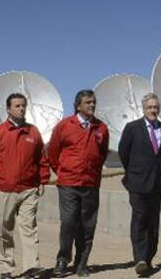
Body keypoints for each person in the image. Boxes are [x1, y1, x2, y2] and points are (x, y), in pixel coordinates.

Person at [0, 93, 51, 279]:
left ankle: (31, 267)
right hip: (4, 190)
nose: (21, 109)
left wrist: (43, 180)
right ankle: (6, 269)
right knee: (4, 230)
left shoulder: (33, 132)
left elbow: (41, 159)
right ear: (8, 109)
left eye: (23, 106)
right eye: (17, 106)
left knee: (29, 228)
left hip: (29, 189)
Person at [47, 89, 109, 277]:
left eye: (94, 102)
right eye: (88, 102)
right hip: (68, 184)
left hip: (90, 184)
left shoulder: (101, 128)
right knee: (68, 222)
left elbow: (102, 154)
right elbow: (52, 153)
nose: (92, 105)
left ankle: (82, 263)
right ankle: (63, 260)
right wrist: (64, 171)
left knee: (87, 225)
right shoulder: (65, 126)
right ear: (78, 105)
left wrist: (94, 174)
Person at [117, 93, 161, 278]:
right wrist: (134, 172)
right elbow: (123, 153)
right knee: (140, 219)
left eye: (156, 107)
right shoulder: (132, 128)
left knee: (153, 221)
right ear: (143, 109)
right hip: (138, 183)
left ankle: (148, 258)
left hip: (157, 184)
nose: (153, 110)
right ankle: (140, 258)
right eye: (150, 107)